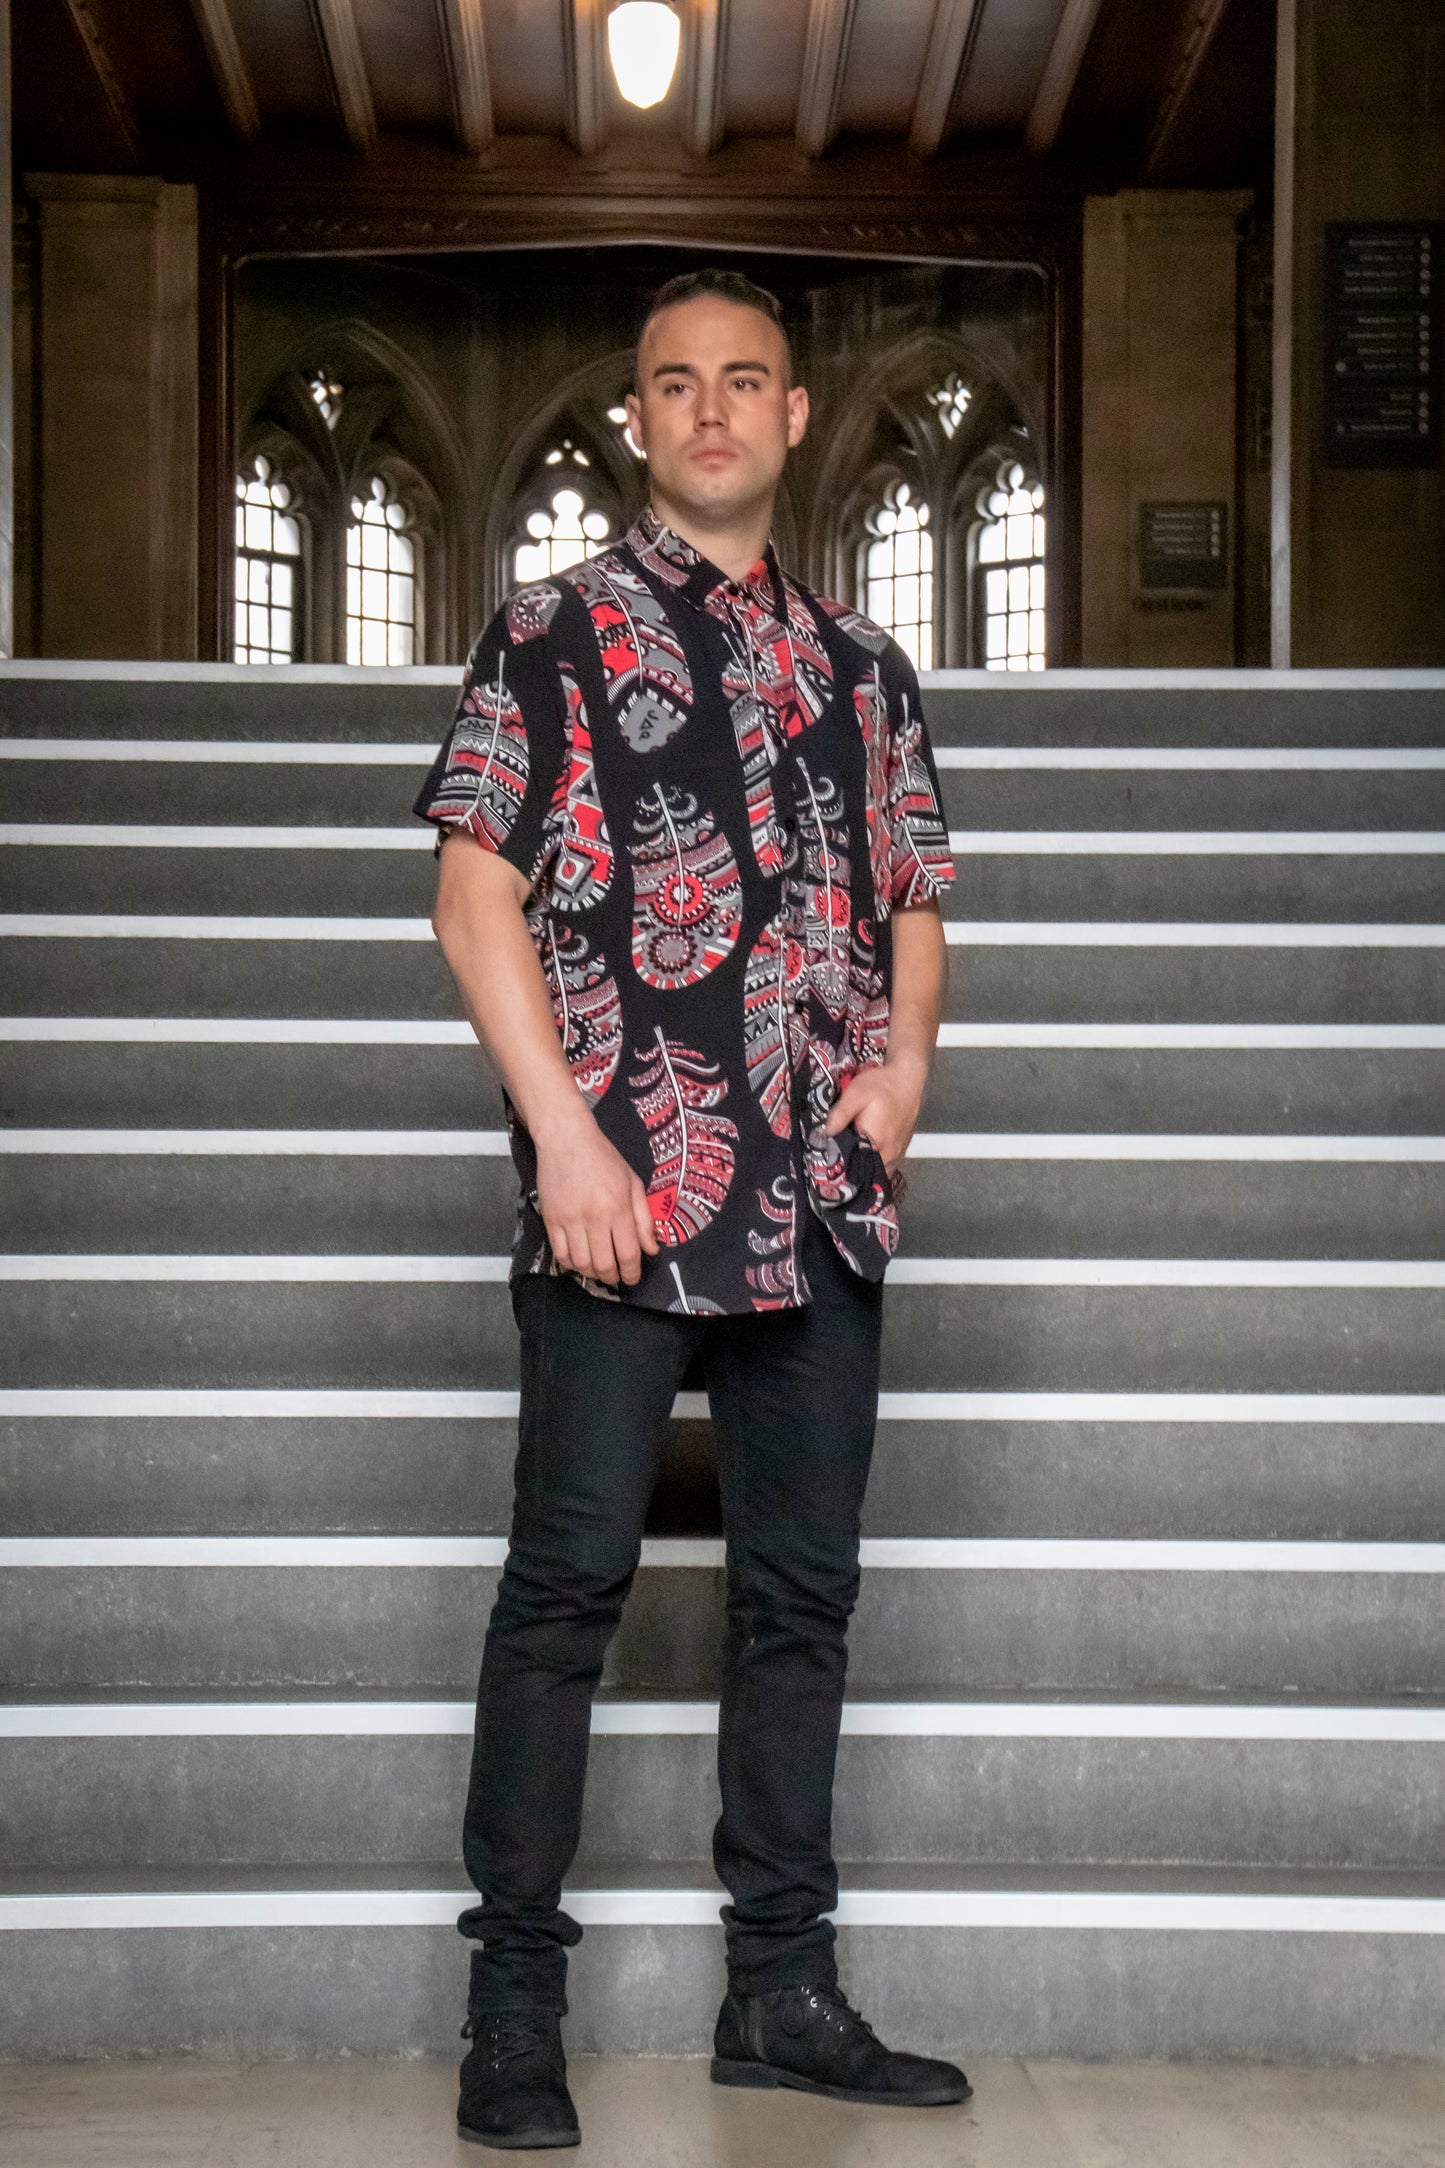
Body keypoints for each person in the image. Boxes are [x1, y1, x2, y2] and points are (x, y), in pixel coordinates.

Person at [415, 266, 970, 2151]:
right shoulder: (548, 635)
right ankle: (510, 2011)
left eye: (748, 380)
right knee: (564, 1594)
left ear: (795, 416)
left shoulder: (863, 672)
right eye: (677, 384)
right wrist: (565, 1140)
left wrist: (901, 1076)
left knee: (797, 1603)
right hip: (621, 1199)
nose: (714, 409)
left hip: (817, 1203)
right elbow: (470, 896)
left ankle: (783, 1995)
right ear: (635, 422)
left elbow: (913, 905)